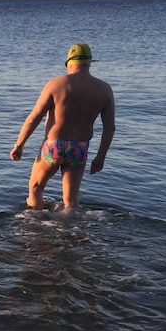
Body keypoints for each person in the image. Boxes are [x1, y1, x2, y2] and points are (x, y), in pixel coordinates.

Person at [10, 43, 115, 210]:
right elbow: (109, 128)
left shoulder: (56, 84)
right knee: (71, 201)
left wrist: (19, 145)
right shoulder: (104, 89)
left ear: (69, 63)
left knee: (36, 188)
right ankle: (71, 232)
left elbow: (34, 118)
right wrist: (100, 157)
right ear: (89, 63)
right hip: (80, 148)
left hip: (55, 146)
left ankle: (37, 228)